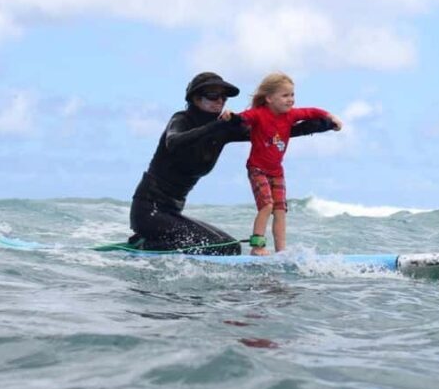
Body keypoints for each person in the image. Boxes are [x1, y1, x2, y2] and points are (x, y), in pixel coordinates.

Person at [128, 72, 336, 255]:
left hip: (171, 214)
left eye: (223, 97)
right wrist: (216, 126)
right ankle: (146, 245)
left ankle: (153, 241)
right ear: (195, 98)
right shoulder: (182, 120)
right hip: (149, 212)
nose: (220, 101)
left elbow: (272, 132)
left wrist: (323, 124)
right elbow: (173, 142)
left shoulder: (222, 129)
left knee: (231, 247)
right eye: (212, 95)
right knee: (221, 248)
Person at [220, 72, 342, 255]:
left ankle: (281, 251)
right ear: (269, 98)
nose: (291, 99)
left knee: (280, 210)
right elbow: (242, 118)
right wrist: (229, 115)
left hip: (277, 171)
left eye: (292, 95)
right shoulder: (259, 114)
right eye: (285, 95)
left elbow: (312, 112)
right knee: (267, 205)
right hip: (257, 169)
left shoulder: (291, 115)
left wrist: (332, 117)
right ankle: (257, 247)